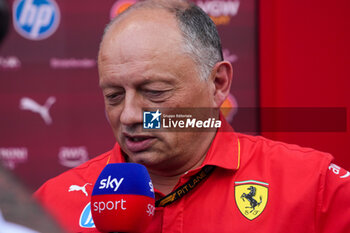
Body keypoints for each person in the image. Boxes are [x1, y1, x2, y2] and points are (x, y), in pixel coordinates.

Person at [34, 0, 350, 232]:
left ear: (218, 84)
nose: (130, 115)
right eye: (114, 96)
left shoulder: (315, 188)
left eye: (154, 92)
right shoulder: (50, 204)